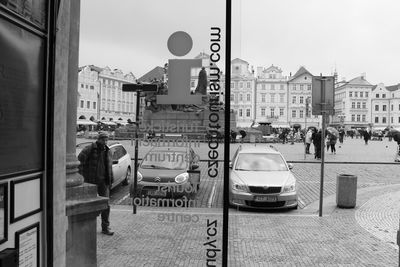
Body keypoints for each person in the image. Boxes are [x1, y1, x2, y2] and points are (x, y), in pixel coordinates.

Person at [78, 131, 115, 235]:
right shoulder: (89, 149)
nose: (105, 141)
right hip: (91, 182)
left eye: (106, 139)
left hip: (103, 182)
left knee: (106, 205)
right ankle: (85, 227)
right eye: (103, 139)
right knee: (88, 204)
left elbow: (109, 167)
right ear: (98, 139)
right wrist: (82, 179)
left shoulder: (108, 151)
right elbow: (79, 162)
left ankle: (105, 227)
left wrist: (110, 180)